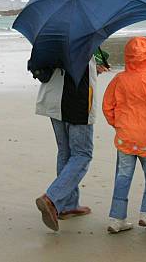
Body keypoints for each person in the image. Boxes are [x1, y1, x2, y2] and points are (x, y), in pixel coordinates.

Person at [102, 37, 146, 233]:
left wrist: (118, 125)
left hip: (125, 137)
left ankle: (117, 218)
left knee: (123, 176)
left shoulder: (118, 80)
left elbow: (108, 107)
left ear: (127, 57)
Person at [33, 55, 109, 232]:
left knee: (65, 153)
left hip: (53, 101)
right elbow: (76, 69)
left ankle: (67, 205)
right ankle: (52, 198)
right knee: (82, 155)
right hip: (77, 102)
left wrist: (94, 69)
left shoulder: (51, 39)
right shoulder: (81, 39)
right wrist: (93, 69)